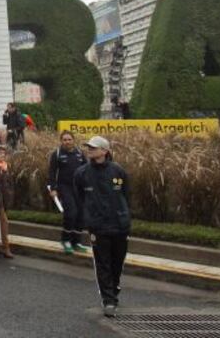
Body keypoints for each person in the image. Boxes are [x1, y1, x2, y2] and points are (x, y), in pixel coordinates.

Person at [73, 136, 130, 317]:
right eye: (88, 147)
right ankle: (109, 300)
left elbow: (126, 196)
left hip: (119, 225)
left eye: (94, 147)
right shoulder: (82, 173)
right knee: (102, 263)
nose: (90, 150)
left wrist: (124, 216)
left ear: (104, 151)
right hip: (97, 227)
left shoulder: (118, 171)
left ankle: (113, 288)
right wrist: (89, 217)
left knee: (117, 262)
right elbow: (79, 197)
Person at [48, 131, 89, 255]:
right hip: (64, 187)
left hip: (79, 188)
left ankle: (77, 242)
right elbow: (52, 172)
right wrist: (53, 189)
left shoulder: (80, 153)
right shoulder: (57, 154)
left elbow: (87, 169)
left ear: (73, 140)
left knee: (81, 215)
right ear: (61, 141)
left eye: (69, 139)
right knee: (71, 213)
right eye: (64, 140)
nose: (67, 142)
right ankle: (66, 240)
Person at [0, 145, 15, 259]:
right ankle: (6, 248)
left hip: (5, 199)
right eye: (0, 153)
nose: (3, 156)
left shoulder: (4, 167)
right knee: (4, 223)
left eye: (4, 154)